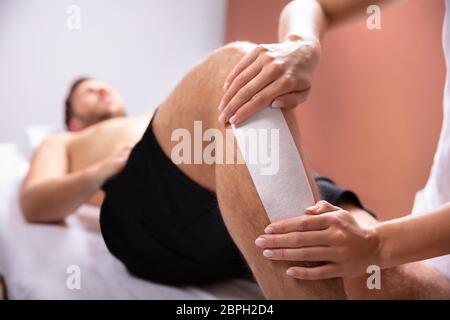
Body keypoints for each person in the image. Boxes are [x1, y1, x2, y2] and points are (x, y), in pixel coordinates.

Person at [20, 42, 449, 299]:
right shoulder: (66, 141)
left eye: (101, 83)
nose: (99, 87)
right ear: (73, 120)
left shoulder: (159, 116)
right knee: (237, 68)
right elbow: (35, 204)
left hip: (231, 185)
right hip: (154, 211)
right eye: (85, 91)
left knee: (382, 276)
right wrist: (105, 170)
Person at [219, 0, 450, 297]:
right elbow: (314, 5)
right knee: (237, 68)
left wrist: (376, 245)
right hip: (420, 246)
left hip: (423, 263)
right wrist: (301, 45)